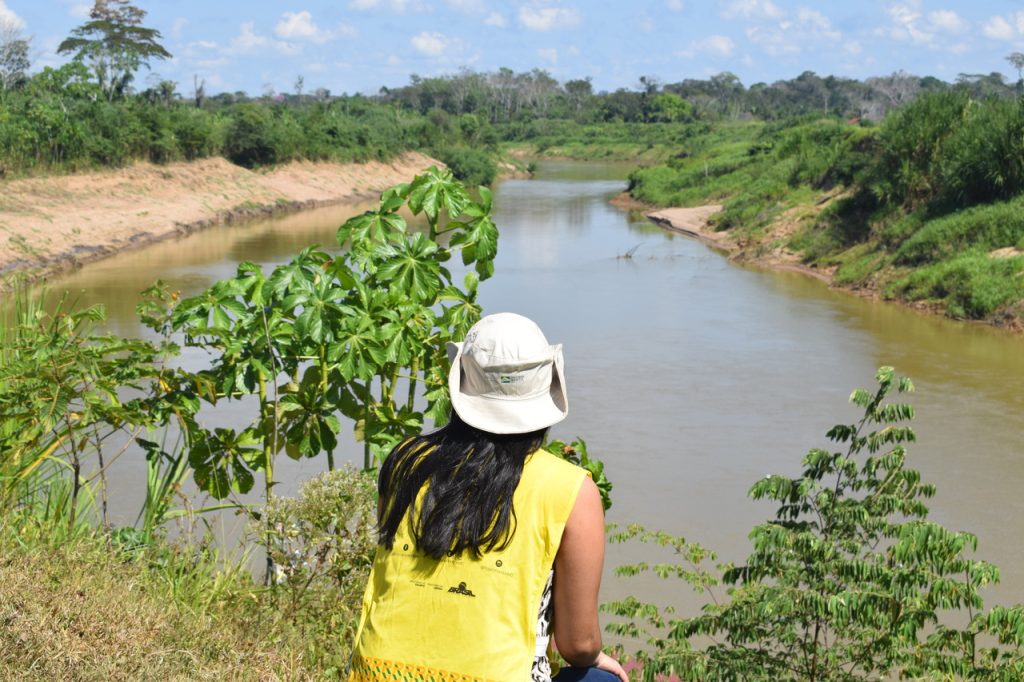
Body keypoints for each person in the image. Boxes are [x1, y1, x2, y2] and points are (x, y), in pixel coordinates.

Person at [348, 312, 628, 682]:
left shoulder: (406, 461)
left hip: (378, 673)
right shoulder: (571, 489)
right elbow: (577, 644)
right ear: (547, 387)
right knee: (599, 680)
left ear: (460, 380)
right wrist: (597, 656)